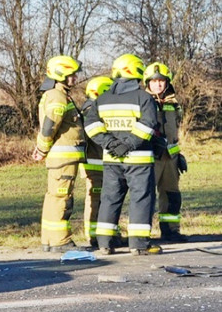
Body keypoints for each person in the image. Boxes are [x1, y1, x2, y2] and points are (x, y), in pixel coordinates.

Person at [84, 54, 162, 255]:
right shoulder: (144, 98)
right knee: (141, 199)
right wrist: (128, 144)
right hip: (139, 159)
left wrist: (110, 144)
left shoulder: (102, 98)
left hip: (111, 159)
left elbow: (91, 125)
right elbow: (149, 125)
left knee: (109, 199)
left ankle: (105, 243)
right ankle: (138, 245)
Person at [33, 55, 85, 252]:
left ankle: (48, 239)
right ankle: (60, 241)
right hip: (63, 158)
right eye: (71, 74)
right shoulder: (57, 96)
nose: (75, 78)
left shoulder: (57, 94)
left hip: (61, 157)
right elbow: (50, 125)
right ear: (60, 75)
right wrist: (42, 148)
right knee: (62, 197)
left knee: (54, 196)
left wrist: (42, 148)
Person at [143, 62, 188, 243]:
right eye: (154, 82)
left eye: (162, 81)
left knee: (172, 196)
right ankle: (142, 235)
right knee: (145, 196)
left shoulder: (173, 103)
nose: (158, 85)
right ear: (147, 83)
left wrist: (179, 156)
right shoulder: (142, 101)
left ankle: (170, 231)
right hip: (149, 156)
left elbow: (174, 133)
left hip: (170, 159)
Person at [79, 75, 113, 248]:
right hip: (95, 164)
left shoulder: (91, 107)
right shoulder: (92, 110)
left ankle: (103, 233)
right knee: (96, 199)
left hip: (99, 162)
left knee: (103, 199)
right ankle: (94, 236)